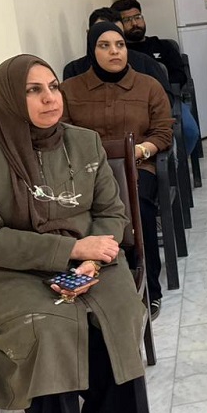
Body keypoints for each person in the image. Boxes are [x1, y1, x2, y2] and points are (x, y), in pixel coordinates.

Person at [0, 55, 152, 413]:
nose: (49, 98)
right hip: (10, 273)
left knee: (118, 312)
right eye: (33, 90)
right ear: (9, 98)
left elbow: (112, 212)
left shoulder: (85, 142)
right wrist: (70, 251)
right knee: (48, 328)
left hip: (92, 259)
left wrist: (92, 262)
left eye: (53, 87)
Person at [60, 22, 174, 319]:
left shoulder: (148, 86)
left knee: (139, 208)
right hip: (85, 171)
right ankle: (86, 284)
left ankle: (148, 288)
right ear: (92, 50)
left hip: (136, 166)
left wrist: (140, 150)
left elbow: (163, 132)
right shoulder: (69, 90)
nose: (114, 51)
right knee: (71, 211)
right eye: (105, 45)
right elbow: (62, 134)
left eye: (120, 45)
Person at [111, 0, 200, 156]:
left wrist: (160, 92)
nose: (135, 23)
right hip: (131, 105)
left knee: (189, 131)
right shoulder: (118, 53)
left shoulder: (164, 46)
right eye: (127, 20)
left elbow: (180, 75)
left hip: (167, 100)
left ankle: (177, 166)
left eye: (137, 17)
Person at [64, 8, 173, 104]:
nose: (113, 50)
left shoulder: (144, 62)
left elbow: (165, 101)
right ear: (90, 35)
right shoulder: (74, 70)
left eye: (117, 33)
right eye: (102, 33)